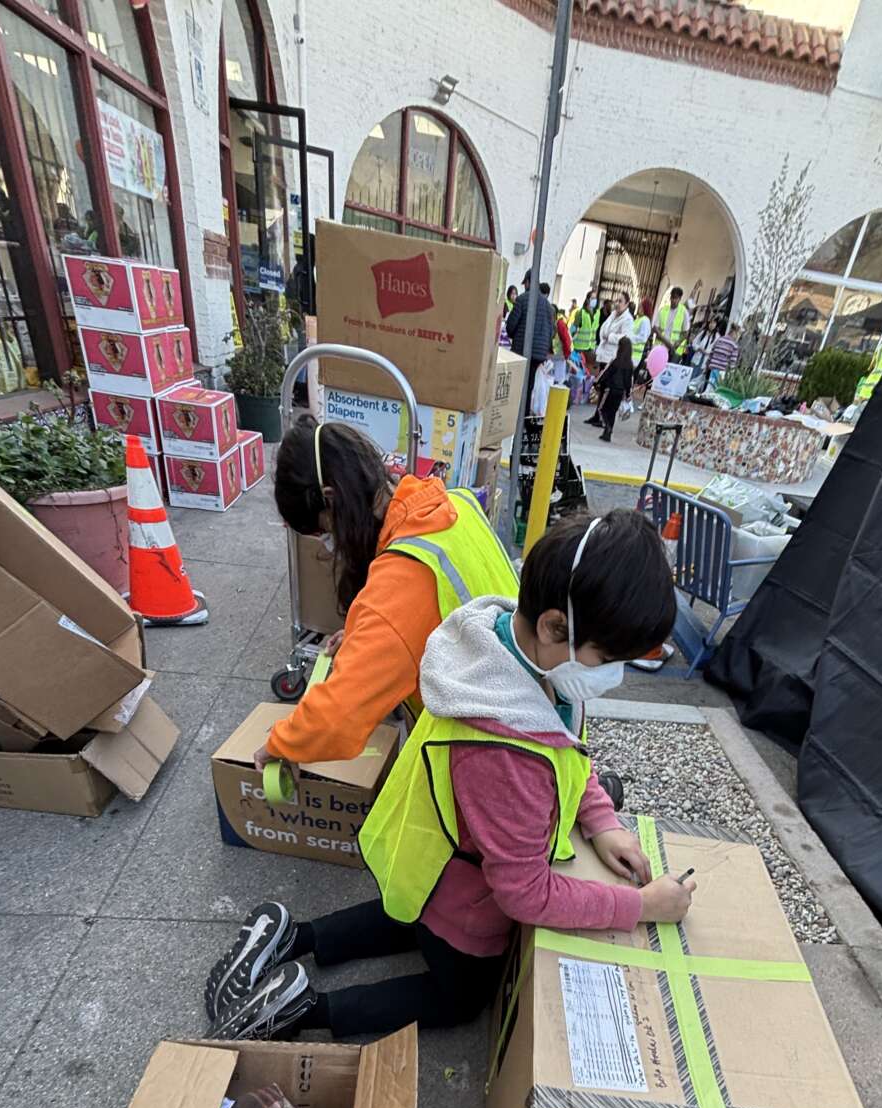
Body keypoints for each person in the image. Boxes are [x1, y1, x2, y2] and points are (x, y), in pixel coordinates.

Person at [205, 511, 687, 1041]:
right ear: (554, 626)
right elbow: (525, 894)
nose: (611, 674)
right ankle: (305, 1009)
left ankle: (292, 937)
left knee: (408, 917)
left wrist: (601, 820)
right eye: (608, 658)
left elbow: (569, 751)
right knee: (458, 997)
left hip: (426, 860)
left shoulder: (501, 646)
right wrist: (638, 906)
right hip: (467, 895)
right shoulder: (511, 752)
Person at [250, 415, 519, 776]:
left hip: (495, 761)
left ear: (331, 500)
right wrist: (369, 635)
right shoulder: (453, 505)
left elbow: (339, 718)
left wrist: (280, 744)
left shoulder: (401, 579)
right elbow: (440, 611)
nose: (330, 546)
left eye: (321, 531)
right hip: (528, 717)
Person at [505, 277, 558, 407]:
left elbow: (510, 326)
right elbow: (552, 332)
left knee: (517, 385)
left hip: (521, 350)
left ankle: (515, 415)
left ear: (528, 282)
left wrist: (514, 336)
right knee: (529, 386)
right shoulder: (548, 306)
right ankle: (525, 415)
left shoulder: (522, 299)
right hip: (539, 355)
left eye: (525, 283)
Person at [588, 335, 634, 442]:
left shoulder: (615, 361)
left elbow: (606, 373)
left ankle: (607, 427)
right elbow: (628, 381)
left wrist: (597, 383)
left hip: (610, 389)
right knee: (612, 411)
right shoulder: (629, 364)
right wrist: (627, 394)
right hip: (620, 391)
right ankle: (608, 431)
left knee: (603, 409)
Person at [595, 289, 633, 367]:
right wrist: (604, 334)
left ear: (626, 304)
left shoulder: (628, 319)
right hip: (604, 355)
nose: (617, 303)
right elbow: (603, 328)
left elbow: (625, 339)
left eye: (620, 301)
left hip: (613, 358)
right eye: (616, 301)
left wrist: (610, 337)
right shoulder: (613, 314)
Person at [656, 286, 691, 361]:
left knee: (670, 370)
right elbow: (655, 328)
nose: (674, 300)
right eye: (672, 297)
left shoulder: (684, 312)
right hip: (661, 345)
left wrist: (677, 343)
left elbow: (686, 332)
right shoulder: (663, 310)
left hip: (675, 349)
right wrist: (665, 341)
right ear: (670, 297)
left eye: (676, 298)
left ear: (680, 299)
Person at [571, 289, 600, 374]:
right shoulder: (581, 313)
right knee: (579, 370)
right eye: (592, 298)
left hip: (590, 348)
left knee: (588, 371)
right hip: (580, 348)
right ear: (587, 300)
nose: (594, 300)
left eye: (595, 298)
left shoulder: (597, 313)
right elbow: (573, 328)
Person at [631, 296, 653, 368]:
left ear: (645, 308)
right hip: (630, 353)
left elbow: (643, 338)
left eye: (641, 307)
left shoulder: (645, 320)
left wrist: (630, 337)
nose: (638, 309)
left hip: (635, 355)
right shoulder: (638, 319)